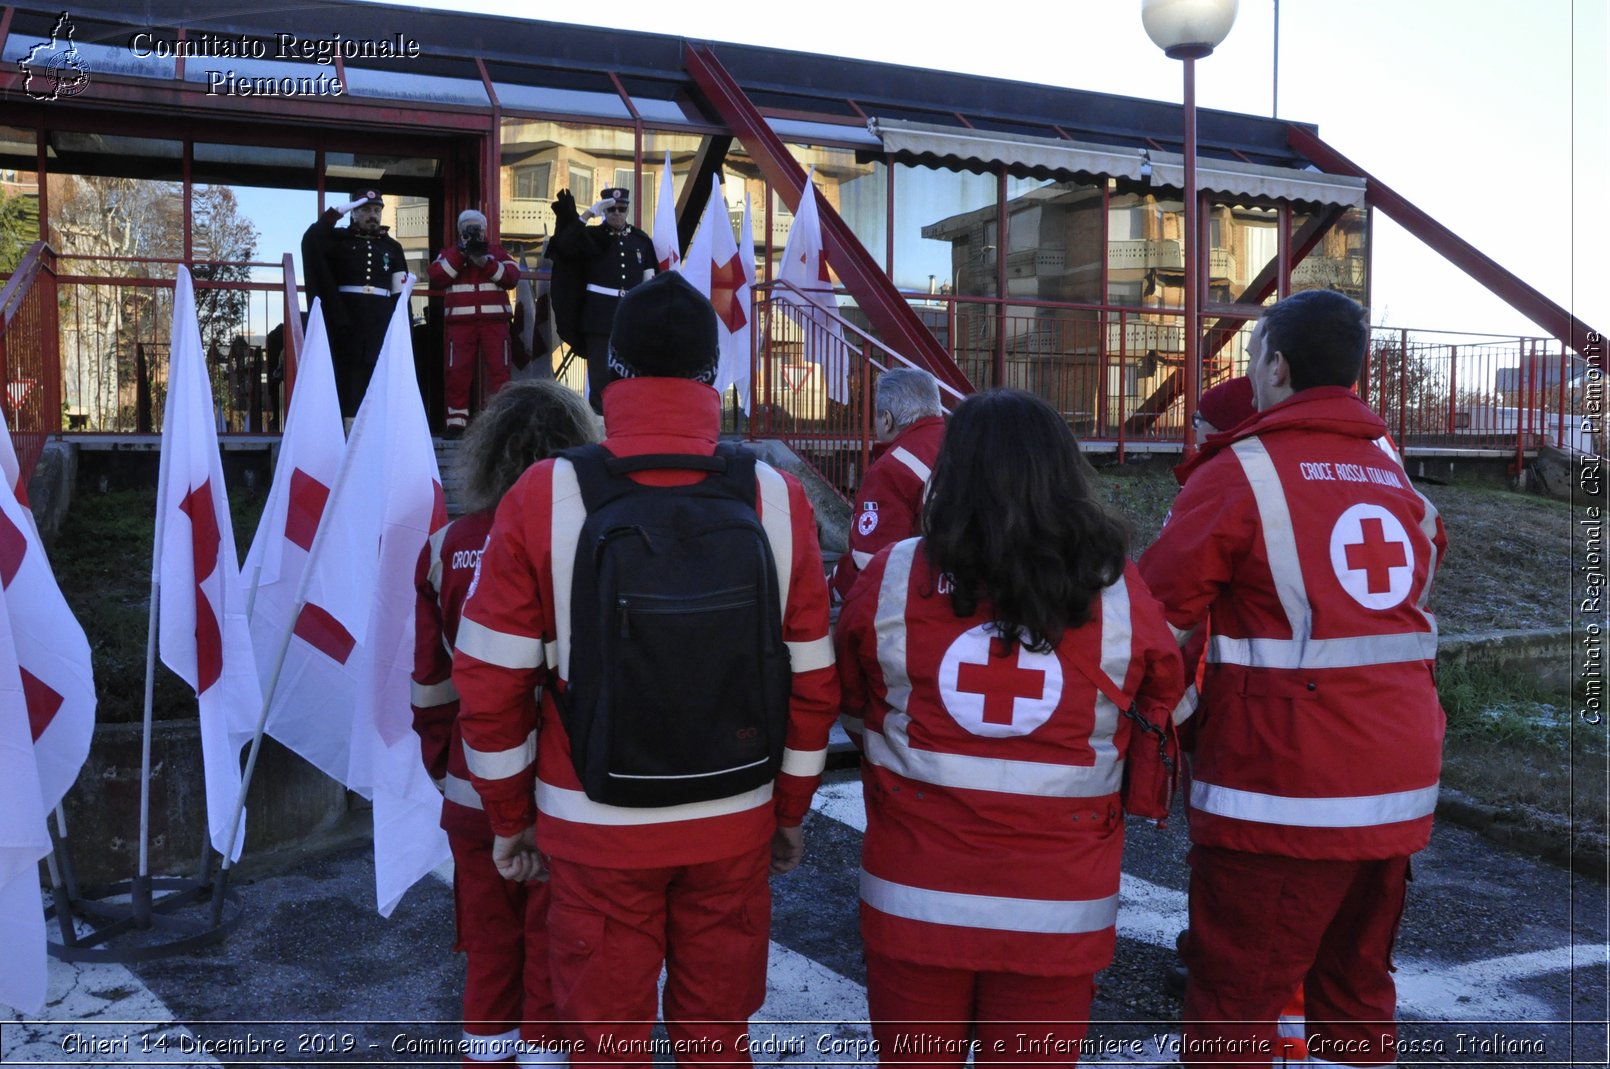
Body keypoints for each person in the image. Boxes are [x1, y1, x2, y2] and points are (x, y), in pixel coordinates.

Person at [452, 272, 839, 1067]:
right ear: (713, 375)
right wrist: (791, 809)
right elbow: (812, 678)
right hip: (735, 820)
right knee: (716, 1041)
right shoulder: (776, 496)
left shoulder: (545, 493)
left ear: (611, 371)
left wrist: (508, 819)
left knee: (606, 1043)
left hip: (593, 828)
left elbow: (489, 681)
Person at [1138, 290, 1447, 1067]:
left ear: (1277, 366)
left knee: (1234, 1002)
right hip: (1398, 782)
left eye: (1253, 358)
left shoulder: (1241, 471)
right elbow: (1419, 574)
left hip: (1282, 788)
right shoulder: (1394, 475)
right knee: (1357, 995)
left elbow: (1150, 612)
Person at [835, 388, 1184, 1067]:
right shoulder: (1115, 588)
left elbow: (853, 702)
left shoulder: (893, 575)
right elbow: (1160, 696)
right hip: (1057, 905)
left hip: (916, 894)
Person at [411, 379, 599, 1067]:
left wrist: (451, 768)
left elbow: (431, 690)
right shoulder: (590, 542)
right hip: (566, 790)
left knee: (490, 959)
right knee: (554, 964)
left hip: (473, 784)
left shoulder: (444, 547)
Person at [828, 366, 946, 602]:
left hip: (915, 604)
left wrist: (828, 588)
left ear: (887, 420)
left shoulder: (891, 470)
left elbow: (870, 563)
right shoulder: (960, 444)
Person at [301, 188, 411, 419]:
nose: (372, 215)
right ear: (354, 213)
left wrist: (401, 325)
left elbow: (400, 292)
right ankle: (347, 429)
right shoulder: (339, 240)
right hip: (347, 317)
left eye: (376, 210)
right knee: (348, 375)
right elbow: (311, 240)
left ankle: (374, 428)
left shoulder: (392, 247)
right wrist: (333, 214)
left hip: (380, 319)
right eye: (365, 210)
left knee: (379, 374)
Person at [547, 186, 657, 413]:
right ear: (604, 212)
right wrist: (587, 215)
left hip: (630, 318)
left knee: (630, 371)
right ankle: (600, 421)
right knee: (600, 375)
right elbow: (563, 246)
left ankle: (628, 417)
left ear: (627, 210)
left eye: (621, 209)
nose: (617, 213)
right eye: (611, 209)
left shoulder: (641, 240)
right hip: (599, 316)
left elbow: (650, 280)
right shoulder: (591, 237)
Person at [428, 209, 522, 438]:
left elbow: (512, 277)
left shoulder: (496, 252)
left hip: (495, 322)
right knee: (457, 372)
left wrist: (485, 262)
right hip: (460, 323)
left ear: (484, 231)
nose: (472, 233)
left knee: (500, 372)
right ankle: (456, 422)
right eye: (468, 229)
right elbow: (437, 276)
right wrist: (461, 254)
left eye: (477, 229)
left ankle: (501, 420)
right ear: (460, 231)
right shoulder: (449, 253)